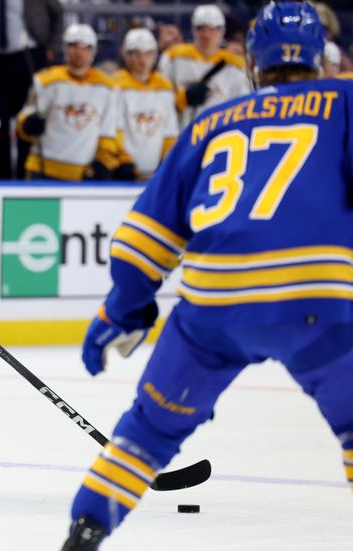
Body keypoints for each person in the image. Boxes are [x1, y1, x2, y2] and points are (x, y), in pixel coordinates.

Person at [62, 3, 353, 549]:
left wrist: (119, 311)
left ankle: (84, 533)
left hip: (211, 308)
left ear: (251, 62)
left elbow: (143, 239)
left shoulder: (210, 124)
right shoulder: (346, 100)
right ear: (321, 59)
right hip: (313, 303)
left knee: (147, 432)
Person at [17, 24, 123, 181]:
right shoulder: (46, 80)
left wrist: (103, 163)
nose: (79, 52)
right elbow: (25, 117)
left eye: (85, 47)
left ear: (92, 51)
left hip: (83, 175)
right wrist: (27, 124)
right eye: (73, 46)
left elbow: (108, 131)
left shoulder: (107, 87)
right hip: (42, 170)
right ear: (65, 48)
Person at [158, 4, 250, 130]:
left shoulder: (235, 64)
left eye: (212, 29)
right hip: (182, 134)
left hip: (220, 134)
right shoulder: (174, 57)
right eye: (201, 29)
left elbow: (243, 107)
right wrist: (183, 99)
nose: (206, 35)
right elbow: (156, 102)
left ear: (221, 31)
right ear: (193, 30)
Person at [113, 28, 178, 181]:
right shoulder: (116, 85)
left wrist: (165, 166)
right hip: (125, 172)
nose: (143, 60)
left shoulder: (164, 86)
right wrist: (125, 163)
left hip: (156, 175)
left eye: (148, 53)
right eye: (136, 54)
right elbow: (115, 132)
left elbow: (170, 134)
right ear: (126, 55)